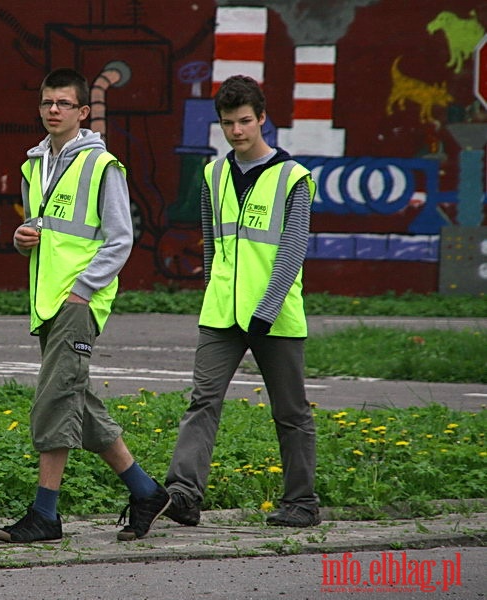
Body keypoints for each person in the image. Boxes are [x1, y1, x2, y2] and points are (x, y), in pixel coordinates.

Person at [0, 68, 170, 544]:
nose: (54, 110)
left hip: (77, 301)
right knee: (76, 400)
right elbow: (41, 230)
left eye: (64, 104)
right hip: (47, 302)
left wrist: (83, 290)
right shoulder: (35, 165)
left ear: (82, 112)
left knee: (53, 400)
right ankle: (146, 491)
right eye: (47, 102)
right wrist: (21, 238)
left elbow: (119, 240)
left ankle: (45, 515)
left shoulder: (102, 166)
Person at [164, 75, 320, 529]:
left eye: (245, 121)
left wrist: (265, 312)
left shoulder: (293, 177)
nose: (237, 131)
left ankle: (302, 503)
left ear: (263, 119)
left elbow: (292, 252)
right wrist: (214, 290)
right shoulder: (212, 174)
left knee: (291, 412)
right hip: (221, 315)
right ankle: (183, 494)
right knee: (202, 402)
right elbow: (212, 245)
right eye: (228, 123)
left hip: (276, 316)